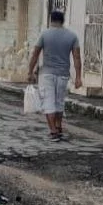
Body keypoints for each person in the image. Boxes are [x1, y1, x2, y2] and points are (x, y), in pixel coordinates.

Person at [28, 10, 82, 141]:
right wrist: (79, 77)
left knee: (48, 102)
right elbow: (77, 58)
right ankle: (58, 126)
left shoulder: (44, 34)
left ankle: (53, 131)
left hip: (46, 74)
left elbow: (35, 54)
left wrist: (30, 72)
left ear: (51, 20)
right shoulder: (72, 36)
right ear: (63, 21)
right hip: (63, 74)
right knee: (59, 101)